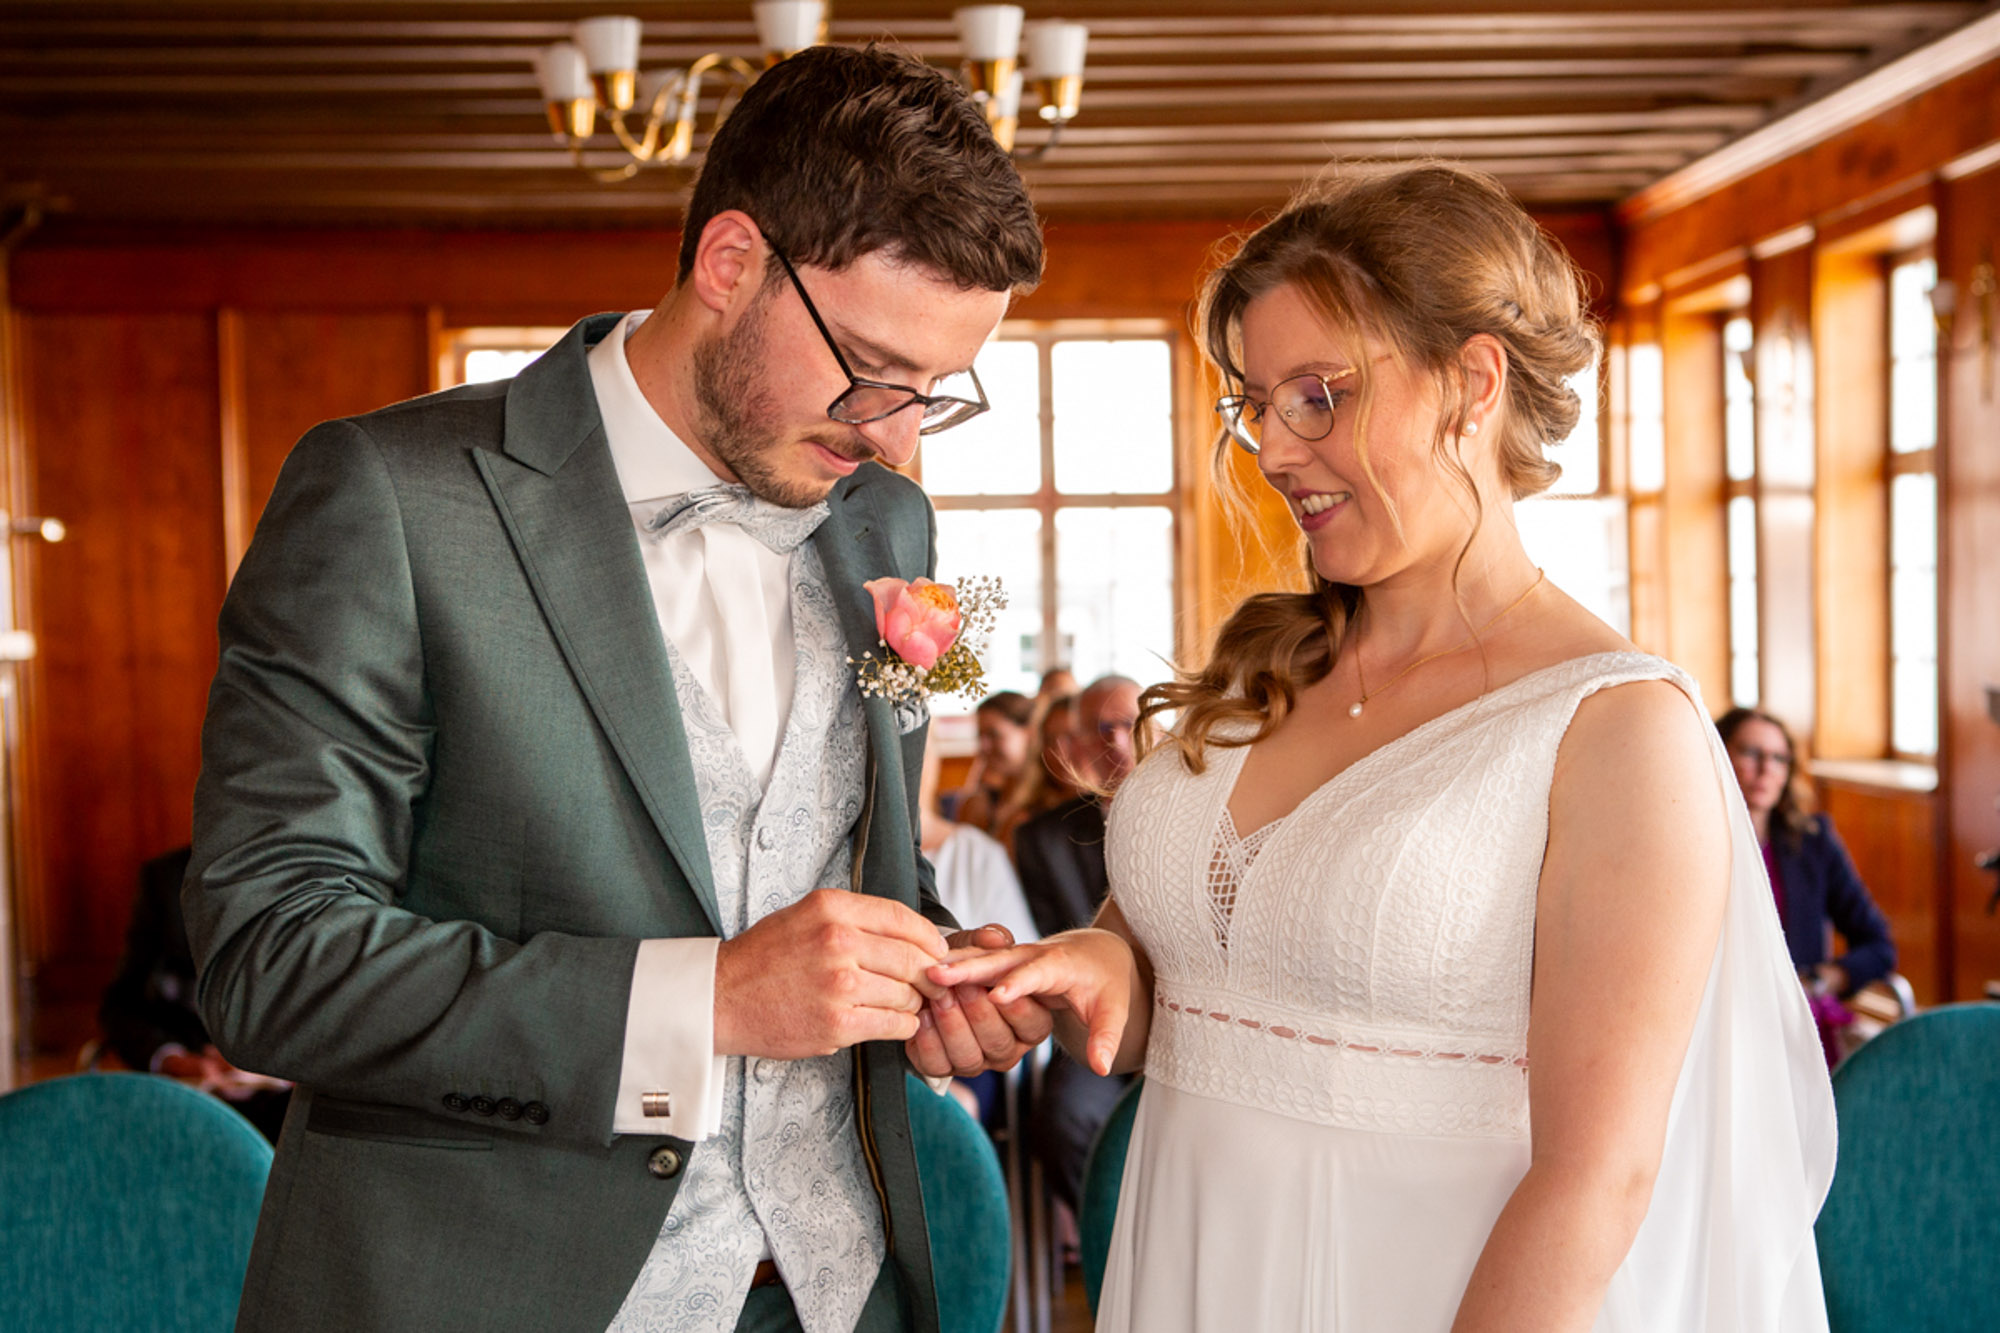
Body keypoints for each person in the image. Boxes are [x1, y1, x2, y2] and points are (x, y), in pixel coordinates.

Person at [183, 45, 1052, 1333]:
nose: (895, 436)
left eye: (934, 393)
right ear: (730, 263)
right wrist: (702, 999)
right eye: (870, 371)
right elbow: (273, 955)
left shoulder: (892, 528)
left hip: (832, 1294)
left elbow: (847, 860)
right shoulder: (388, 496)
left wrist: (934, 968)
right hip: (493, 1293)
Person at [935, 163, 1835, 1331]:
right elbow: (1202, 973)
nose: (1268, 446)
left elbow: (1597, 1180)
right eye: (1252, 402)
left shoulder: (1614, 730)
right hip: (1191, 1256)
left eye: (1316, 395)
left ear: (1471, 382)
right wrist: (1099, 967)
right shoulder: (1269, 672)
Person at [1010, 674, 1142, 1217]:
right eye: (1100, 729)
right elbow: (1051, 938)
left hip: (1196, 1020)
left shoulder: (1201, 815)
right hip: (1091, 1030)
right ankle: (1108, 1248)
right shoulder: (1042, 838)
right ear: (1078, 744)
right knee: (1064, 1116)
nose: (1116, 742)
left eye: (1130, 726)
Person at [1718, 705, 1896, 1064]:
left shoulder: (1814, 842)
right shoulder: (1690, 842)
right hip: (1721, 1026)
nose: (1767, 769)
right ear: (1718, 754)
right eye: (1751, 753)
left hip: (1795, 1027)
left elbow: (1878, 944)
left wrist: (1823, 979)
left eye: (1779, 758)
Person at [98, 846, 291, 1141]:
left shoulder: (316, 874)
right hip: (189, 1095)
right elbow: (120, 1007)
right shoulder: (164, 878)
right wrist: (171, 1060)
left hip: (289, 1102)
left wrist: (272, 1064)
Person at [993, 691, 1081, 852]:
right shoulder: (1023, 824)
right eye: (1049, 740)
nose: (1059, 752)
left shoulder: (1115, 812)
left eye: (1071, 737)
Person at [950, 690, 1035, 834]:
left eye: (994, 735)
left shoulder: (1044, 799)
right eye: (980, 735)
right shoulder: (984, 799)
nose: (984, 746)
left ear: (1028, 733)